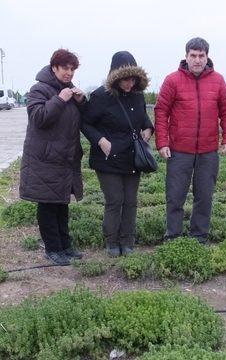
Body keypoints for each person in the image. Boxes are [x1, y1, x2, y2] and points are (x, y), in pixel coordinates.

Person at [154, 37, 226, 243]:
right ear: (186, 56)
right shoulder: (172, 80)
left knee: (204, 196)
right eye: (193, 55)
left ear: (207, 57)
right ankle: (173, 235)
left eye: (201, 56)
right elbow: (161, 111)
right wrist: (162, 142)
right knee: (175, 195)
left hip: (208, 150)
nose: (197, 60)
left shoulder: (218, 80)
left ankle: (199, 235)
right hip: (179, 149)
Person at [81, 51, 153, 257]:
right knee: (115, 200)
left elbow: (143, 120)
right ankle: (112, 241)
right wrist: (100, 140)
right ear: (115, 76)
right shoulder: (100, 97)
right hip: (108, 159)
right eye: (125, 79)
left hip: (132, 158)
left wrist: (149, 129)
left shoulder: (138, 96)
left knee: (130, 200)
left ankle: (128, 240)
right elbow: (85, 122)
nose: (130, 83)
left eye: (133, 79)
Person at [19, 49, 86, 265]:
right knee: (48, 205)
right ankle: (52, 249)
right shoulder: (39, 89)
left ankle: (65, 246)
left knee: (61, 204)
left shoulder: (68, 90)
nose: (69, 73)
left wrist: (81, 101)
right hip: (45, 160)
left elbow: (76, 120)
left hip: (64, 160)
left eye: (72, 69)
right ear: (54, 67)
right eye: (65, 68)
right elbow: (38, 118)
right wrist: (59, 100)